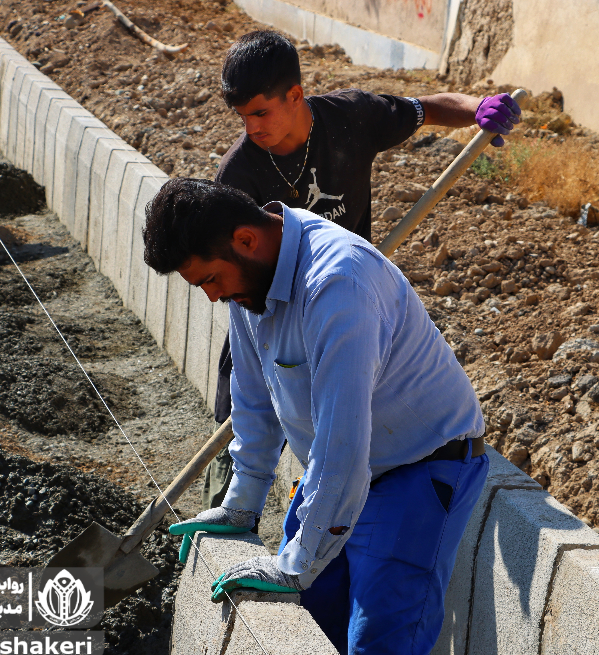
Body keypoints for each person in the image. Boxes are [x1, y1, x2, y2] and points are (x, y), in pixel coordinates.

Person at [143, 179, 490, 655]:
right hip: (343, 471)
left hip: (417, 475)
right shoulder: (248, 284)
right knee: (311, 627)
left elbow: (344, 442)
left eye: (210, 279)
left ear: (245, 240)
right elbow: (254, 400)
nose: (211, 295)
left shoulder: (337, 283)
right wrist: (241, 505)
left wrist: (298, 561)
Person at [197, 29, 520, 511]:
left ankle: (329, 529)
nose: (251, 128)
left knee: (339, 429)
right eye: (242, 117)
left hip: (340, 308)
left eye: (260, 112)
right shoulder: (238, 176)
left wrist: (477, 108)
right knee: (240, 428)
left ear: (295, 95)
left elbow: (426, 107)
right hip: (269, 319)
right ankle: (225, 522)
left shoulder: (351, 118)